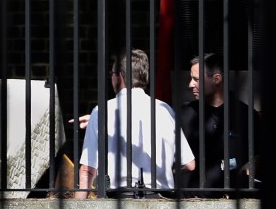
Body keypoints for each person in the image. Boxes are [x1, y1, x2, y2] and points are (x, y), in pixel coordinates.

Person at [75, 49, 195, 199]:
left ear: (121, 76)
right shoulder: (164, 110)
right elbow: (189, 164)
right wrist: (163, 173)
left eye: (112, 74)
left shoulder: (101, 112)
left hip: (119, 200)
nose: (111, 78)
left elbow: (88, 170)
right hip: (162, 201)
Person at [179, 52, 259, 196]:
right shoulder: (184, 114)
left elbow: (265, 150)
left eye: (196, 79)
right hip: (192, 203)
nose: (190, 84)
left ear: (216, 79)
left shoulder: (245, 114)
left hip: (236, 200)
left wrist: (252, 164)